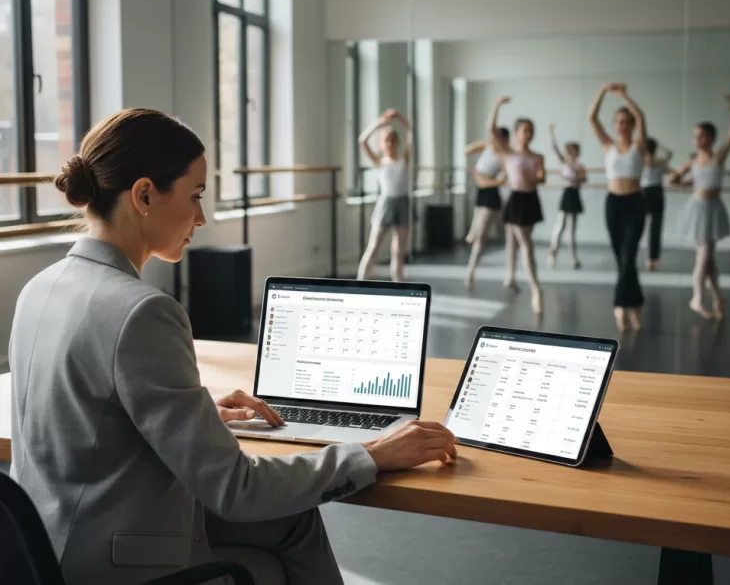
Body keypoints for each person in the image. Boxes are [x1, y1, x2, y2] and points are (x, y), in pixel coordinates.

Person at [9, 108, 457, 585]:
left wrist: (193, 416)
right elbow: (236, 489)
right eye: (195, 196)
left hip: (39, 547)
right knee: (269, 558)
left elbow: (83, 420)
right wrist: (371, 454)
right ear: (143, 195)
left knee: (292, 521)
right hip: (114, 566)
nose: (201, 217)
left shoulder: (40, 286)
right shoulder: (142, 311)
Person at [670, 95, 730, 321]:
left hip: (713, 209)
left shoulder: (718, 157)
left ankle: (714, 296)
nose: (697, 139)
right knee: (705, 258)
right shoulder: (692, 162)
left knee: (707, 259)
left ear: (711, 138)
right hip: (697, 209)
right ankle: (701, 296)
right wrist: (678, 179)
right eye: (695, 136)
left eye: (701, 135)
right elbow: (676, 181)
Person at [588, 83, 649, 332]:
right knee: (622, 259)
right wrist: (602, 91)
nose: (623, 125)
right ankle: (635, 305)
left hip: (635, 203)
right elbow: (592, 117)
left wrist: (624, 95)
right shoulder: (608, 146)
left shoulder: (639, 146)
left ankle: (620, 305)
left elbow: (642, 116)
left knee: (628, 256)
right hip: (614, 204)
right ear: (614, 125)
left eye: (627, 121)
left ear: (632, 126)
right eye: (619, 121)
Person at [489, 96, 546, 315]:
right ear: (516, 133)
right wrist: (497, 105)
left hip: (529, 199)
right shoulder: (508, 153)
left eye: (531, 131)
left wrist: (532, 176)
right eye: (525, 130)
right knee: (515, 240)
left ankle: (531, 285)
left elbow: (542, 178)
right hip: (515, 198)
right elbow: (492, 129)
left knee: (524, 242)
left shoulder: (537, 156)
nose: (529, 134)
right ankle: (518, 279)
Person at [357, 109, 413, 282]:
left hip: (403, 203)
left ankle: (398, 285)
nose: (390, 143)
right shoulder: (379, 161)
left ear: (397, 142)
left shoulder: (404, 158)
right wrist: (378, 123)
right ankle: (360, 284)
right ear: (382, 143)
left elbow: (411, 132)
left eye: (393, 140)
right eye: (387, 140)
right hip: (386, 204)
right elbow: (362, 141)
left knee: (398, 252)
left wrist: (399, 117)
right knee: (373, 248)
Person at [463, 123, 510, 288]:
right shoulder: (488, 145)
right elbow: (466, 150)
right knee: (482, 229)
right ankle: (473, 238)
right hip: (482, 191)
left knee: (486, 234)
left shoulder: (504, 155)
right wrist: (484, 144)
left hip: (490, 192)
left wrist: (482, 177)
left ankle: (472, 270)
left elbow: (503, 179)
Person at [548, 124, 587, 269]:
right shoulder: (564, 163)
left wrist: (576, 178)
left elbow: (583, 179)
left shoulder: (580, 166)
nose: (572, 154)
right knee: (559, 227)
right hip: (566, 195)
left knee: (572, 230)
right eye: (570, 151)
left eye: (574, 151)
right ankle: (552, 255)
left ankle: (573, 258)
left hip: (574, 195)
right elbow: (555, 148)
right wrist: (551, 133)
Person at [641, 138, 673, 271]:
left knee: (637, 226)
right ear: (655, 149)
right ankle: (653, 259)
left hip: (643, 192)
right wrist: (661, 146)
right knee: (656, 228)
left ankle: (647, 258)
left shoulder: (640, 161)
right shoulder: (661, 162)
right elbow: (670, 155)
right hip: (656, 193)